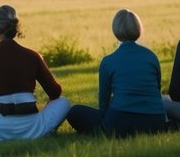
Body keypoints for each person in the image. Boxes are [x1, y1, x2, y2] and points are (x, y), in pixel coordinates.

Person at [0, 5, 72, 140]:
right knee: (63, 102)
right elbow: (55, 93)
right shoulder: (33, 56)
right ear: (16, 26)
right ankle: (44, 131)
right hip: (32, 127)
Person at [67, 9, 169, 137]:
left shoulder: (108, 61)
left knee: (75, 112)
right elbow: (156, 89)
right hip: (155, 121)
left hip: (121, 122)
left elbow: (104, 100)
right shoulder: (152, 57)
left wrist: (107, 116)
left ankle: (104, 131)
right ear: (138, 28)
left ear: (115, 30)